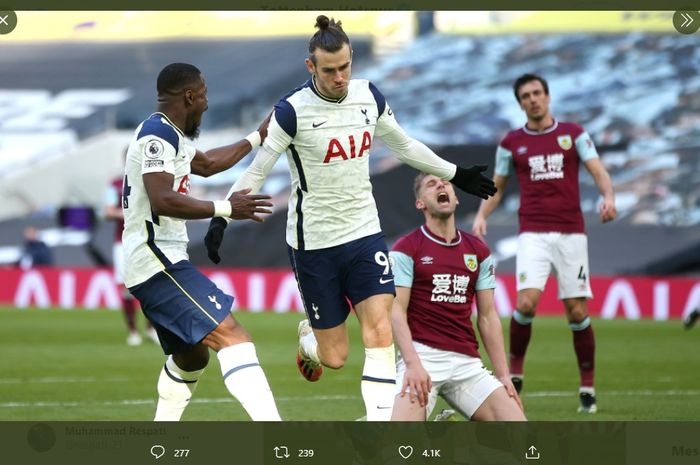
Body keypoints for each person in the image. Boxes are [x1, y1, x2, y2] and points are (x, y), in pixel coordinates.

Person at [204, 15, 497, 421]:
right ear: (311, 67)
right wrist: (222, 216)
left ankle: (382, 432)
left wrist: (457, 174)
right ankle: (311, 339)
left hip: (364, 234)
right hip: (314, 244)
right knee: (336, 356)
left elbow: (404, 145)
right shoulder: (291, 111)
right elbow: (259, 167)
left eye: (345, 67)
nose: (339, 77)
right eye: (329, 70)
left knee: (379, 334)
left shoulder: (368, 96)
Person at [122, 62, 280, 421]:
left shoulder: (169, 134)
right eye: (204, 95)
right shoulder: (156, 137)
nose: (207, 104)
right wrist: (226, 208)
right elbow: (162, 198)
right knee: (232, 334)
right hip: (156, 260)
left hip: (159, 259)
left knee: (192, 357)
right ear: (190, 95)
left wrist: (257, 137)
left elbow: (208, 164)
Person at [472, 73, 617, 414]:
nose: (533, 99)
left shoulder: (573, 135)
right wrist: (482, 215)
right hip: (533, 231)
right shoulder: (511, 143)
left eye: (537, 93)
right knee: (526, 304)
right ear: (520, 103)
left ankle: (587, 388)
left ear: (548, 97)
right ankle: (516, 375)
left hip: (571, 231)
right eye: (526, 95)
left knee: (577, 311)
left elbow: (597, 169)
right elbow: (499, 183)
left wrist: (608, 196)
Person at [389, 173, 525, 421]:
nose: (441, 185)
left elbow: (487, 316)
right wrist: (412, 364)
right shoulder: (406, 248)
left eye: (446, 183)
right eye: (432, 184)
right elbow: (396, 310)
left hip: (468, 364)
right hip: (423, 356)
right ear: (420, 203)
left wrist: (504, 375)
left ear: (456, 198)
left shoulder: (479, 251)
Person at [104, 160, 159, 346]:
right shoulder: (115, 184)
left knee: (153, 286)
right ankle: (133, 332)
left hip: (148, 240)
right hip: (123, 243)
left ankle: (151, 329)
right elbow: (108, 212)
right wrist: (130, 213)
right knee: (127, 288)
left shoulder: (151, 180)